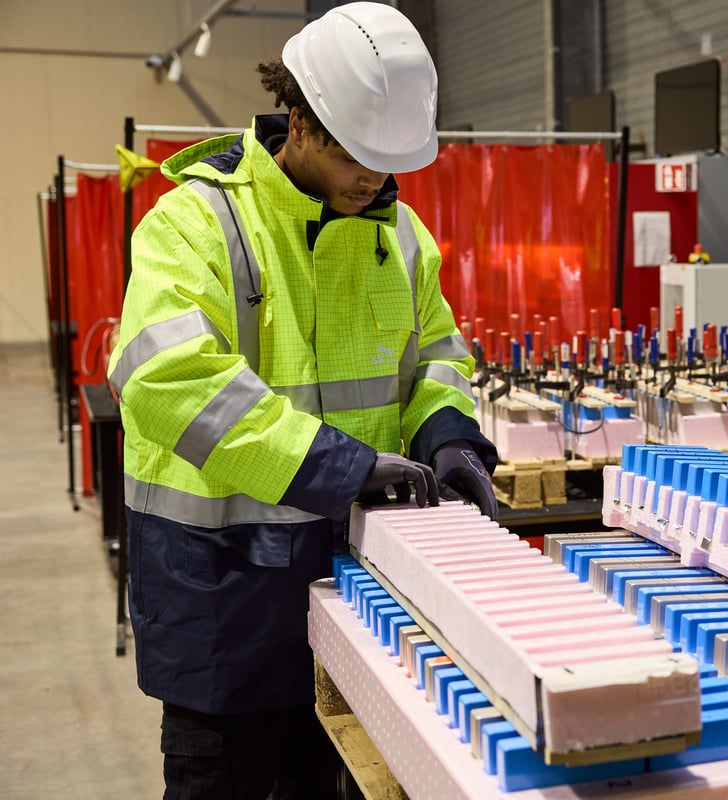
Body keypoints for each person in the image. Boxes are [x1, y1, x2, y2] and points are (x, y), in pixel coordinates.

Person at [107, 4, 498, 797]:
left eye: (395, 163)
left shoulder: (403, 234)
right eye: (361, 155)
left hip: (356, 598)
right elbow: (167, 380)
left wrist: (449, 436)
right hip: (224, 604)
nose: (378, 180)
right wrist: (339, 467)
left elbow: (438, 357)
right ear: (300, 120)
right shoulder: (198, 220)